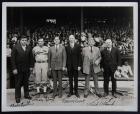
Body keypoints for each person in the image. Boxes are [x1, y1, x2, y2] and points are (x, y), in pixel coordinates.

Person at [11, 35, 34, 103]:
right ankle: (17, 97)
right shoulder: (15, 47)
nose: (24, 42)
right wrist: (14, 68)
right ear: (20, 41)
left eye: (25, 40)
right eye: (22, 40)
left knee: (26, 83)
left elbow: (31, 58)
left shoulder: (29, 47)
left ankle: (26, 95)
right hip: (18, 69)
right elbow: (12, 59)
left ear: (27, 41)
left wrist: (31, 66)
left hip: (27, 69)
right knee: (18, 83)